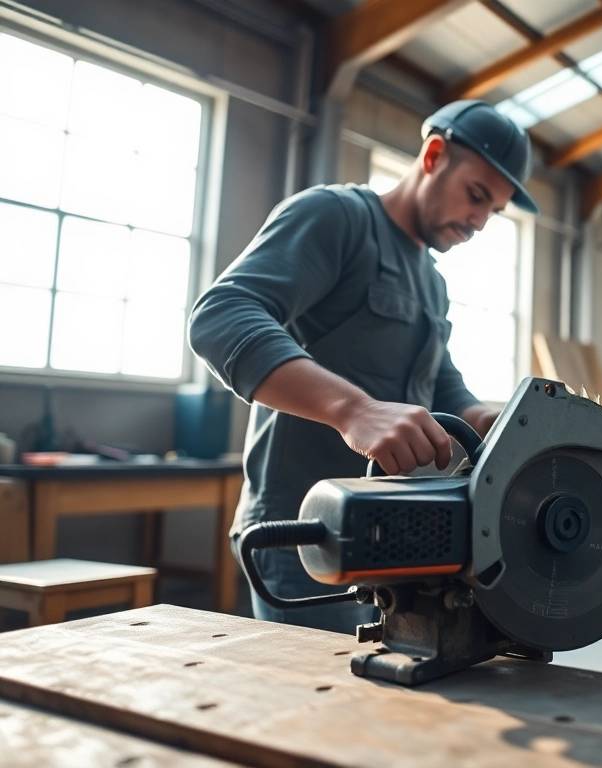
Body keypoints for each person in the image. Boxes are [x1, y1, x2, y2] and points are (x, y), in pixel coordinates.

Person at [188, 100, 538, 632]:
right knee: (322, 701)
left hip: (388, 530)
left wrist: (479, 417)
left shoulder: (431, 281)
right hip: (307, 528)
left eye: (494, 210)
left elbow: (435, 374)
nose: (480, 222)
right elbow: (220, 317)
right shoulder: (337, 218)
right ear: (434, 155)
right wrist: (354, 411)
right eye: (476, 196)